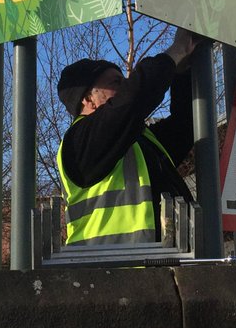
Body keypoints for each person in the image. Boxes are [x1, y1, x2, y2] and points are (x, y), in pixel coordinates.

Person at [56, 28, 201, 245]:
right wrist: (176, 52)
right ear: (88, 98)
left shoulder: (142, 142)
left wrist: (183, 72)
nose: (125, 85)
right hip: (111, 273)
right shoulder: (80, 142)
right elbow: (132, 100)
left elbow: (186, 124)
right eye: (116, 82)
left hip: (158, 270)